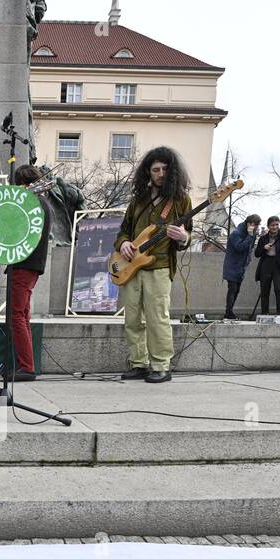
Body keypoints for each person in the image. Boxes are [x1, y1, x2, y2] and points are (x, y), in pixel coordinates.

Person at [113, 147, 192, 384]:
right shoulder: (139, 200)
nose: (160, 174)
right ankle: (138, 363)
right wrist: (124, 242)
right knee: (133, 318)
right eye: (155, 169)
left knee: (158, 317)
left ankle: (161, 365)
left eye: (165, 169)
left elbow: (188, 236)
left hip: (158, 266)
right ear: (147, 172)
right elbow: (123, 230)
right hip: (130, 267)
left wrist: (183, 237)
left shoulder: (181, 200)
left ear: (172, 171)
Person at [3, 164, 52, 382]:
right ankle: (26, 364)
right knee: (22, 314)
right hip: (31, 264)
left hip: (24, 263)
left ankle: (26, 366)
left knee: (17, 315)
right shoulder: (42, 203)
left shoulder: (33, 203)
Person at [223, 214, 261, 320]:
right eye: (254, 225)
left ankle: (229, 312)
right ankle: (228, 313)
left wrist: (248, 259)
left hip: (241, 266)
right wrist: (249, 235)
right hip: (232, 265)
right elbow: (240, 247)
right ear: (249, 224)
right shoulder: (236, 233)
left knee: (237, 290)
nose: (255, 227)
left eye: (257, 225)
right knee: (232, 289)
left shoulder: (252, 234)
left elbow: (250, 247)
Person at [253, 216, 280, 316]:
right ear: (268, 226)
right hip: (266, 264)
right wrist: (264, 248)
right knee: (265, 290)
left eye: (277, 225)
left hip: (279, 264)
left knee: (279, 289)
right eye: (272, 225)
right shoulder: (263, 238)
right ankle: (264, 312)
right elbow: (257, 254)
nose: (275, 227)